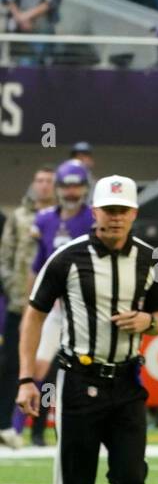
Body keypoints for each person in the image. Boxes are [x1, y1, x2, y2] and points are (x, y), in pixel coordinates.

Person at [17, 175, 158, 484]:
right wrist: (28, 378)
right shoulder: (67, 258)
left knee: (131, 478)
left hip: (126, 381)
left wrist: (147, 323)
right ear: (94, 212)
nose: (116, 218)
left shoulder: (146, 259)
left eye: (123, 210)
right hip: (79, 382)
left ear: (134, 213)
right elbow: (34, 315)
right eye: (108, 210)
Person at [24, 160, 95, 447]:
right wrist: (33, 303)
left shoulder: (93, 217)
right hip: (54, 306)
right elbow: (36, 266)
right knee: (37, 369)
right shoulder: (44, 220)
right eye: (66, 185)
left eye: (76, 185)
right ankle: (30, 430)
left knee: (88, 367)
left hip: (85, 306)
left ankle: (91, 429)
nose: (71, 191)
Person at [0, 164, 55, 450]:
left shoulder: (61, 219)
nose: (44, 185)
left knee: (47, 371)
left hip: (53, 308)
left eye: (49, 181)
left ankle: (38, 431)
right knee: (12, 365)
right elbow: (5, 257)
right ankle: (6, 426)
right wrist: (14, 292)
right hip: (20, 305)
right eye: (39, 180)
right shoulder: (19, 217)